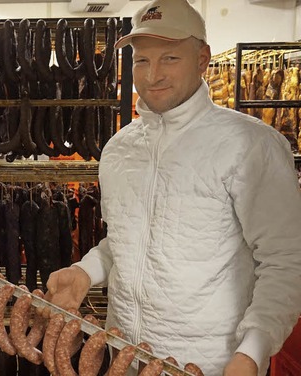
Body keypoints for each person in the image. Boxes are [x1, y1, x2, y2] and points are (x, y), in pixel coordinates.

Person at [44, 1, 301, 375]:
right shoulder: (119, 149)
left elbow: (285, 260)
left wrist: (252, 352)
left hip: (213, 364)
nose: (152, 75)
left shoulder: (252, 146)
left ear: (202, 60)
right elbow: (128, 241)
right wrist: (86, 271)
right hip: (126, 358)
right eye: (142, 60)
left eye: (170, 58)